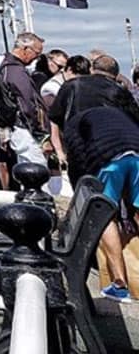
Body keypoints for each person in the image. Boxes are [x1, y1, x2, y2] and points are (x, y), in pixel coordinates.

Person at [60, 105, 139, 301]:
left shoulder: (73, 126)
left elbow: (78, 167)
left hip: (109, 159)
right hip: (137, 153)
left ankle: (120, 285)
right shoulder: (120, 113)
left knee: (106, 215)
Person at [51, 54, 139, 171]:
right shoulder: (119, 90)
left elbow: (54, 119)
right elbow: (134, 120)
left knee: (82, 186)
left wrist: (59, 151)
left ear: (92, 69)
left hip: (78, 148)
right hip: (111, 150)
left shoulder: (70, 86)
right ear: (116, 74)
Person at [1, 32, 50, 177]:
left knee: (26, 173)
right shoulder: (16, 72)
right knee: (38, 173)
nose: (37, 58)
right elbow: (27, 105)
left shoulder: (6, 68)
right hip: (27, 132)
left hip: (18, 131)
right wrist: (41, 136)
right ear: (25, 49)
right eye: (37, 53)